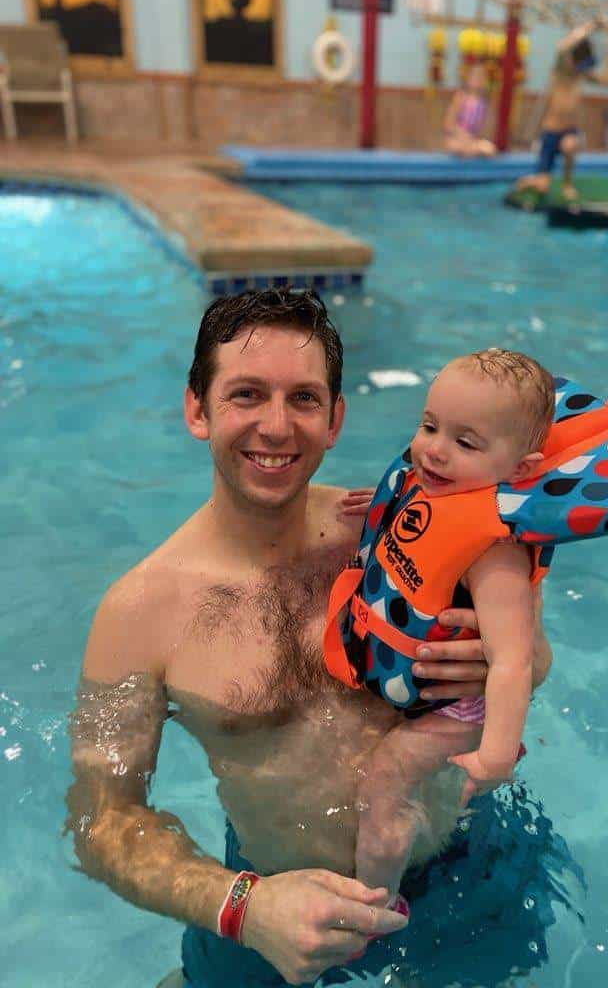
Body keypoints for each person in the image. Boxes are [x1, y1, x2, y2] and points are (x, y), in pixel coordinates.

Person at [67, 289, 557, 988]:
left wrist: (515, 660)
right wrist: (245, 907)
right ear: (197, 409)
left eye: (303, 398)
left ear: (335, 419)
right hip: (277, 908)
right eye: (245, 394)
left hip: (472, 863)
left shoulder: (395, 528)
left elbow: (529, 652)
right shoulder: (138, 613)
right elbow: (101, 819)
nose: (276, 426)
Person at [325, 350, 553, 905]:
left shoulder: (494, 554)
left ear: (519, 469)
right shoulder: (430, 483)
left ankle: (374, 903)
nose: (433, 448)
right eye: (429, 426)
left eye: (465, 442)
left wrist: (495, 753)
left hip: (455, 708)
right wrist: (383, 506)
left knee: (381, 782)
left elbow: (512, 659)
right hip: (413, 680)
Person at [515, 22, 608, 199]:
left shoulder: (581, 75)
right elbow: (562, 47)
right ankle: (531, 180)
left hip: (569, 130)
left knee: (570, 145)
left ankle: (567, 184)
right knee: (542, 187)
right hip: (550, 133)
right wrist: (589, 27)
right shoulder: (559, 73)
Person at [443, 62, 497, 158]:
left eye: (480, 78)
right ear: (468, 78)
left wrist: (475, 139)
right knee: (455, 146)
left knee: (489, 149)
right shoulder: (460, 97)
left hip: (473, 141)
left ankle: (469, 151)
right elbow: (448, 124)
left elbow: (485, 129)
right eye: (474, 77)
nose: (477, 80)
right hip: (458, 138)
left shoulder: (483, 103)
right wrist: (461, 134)